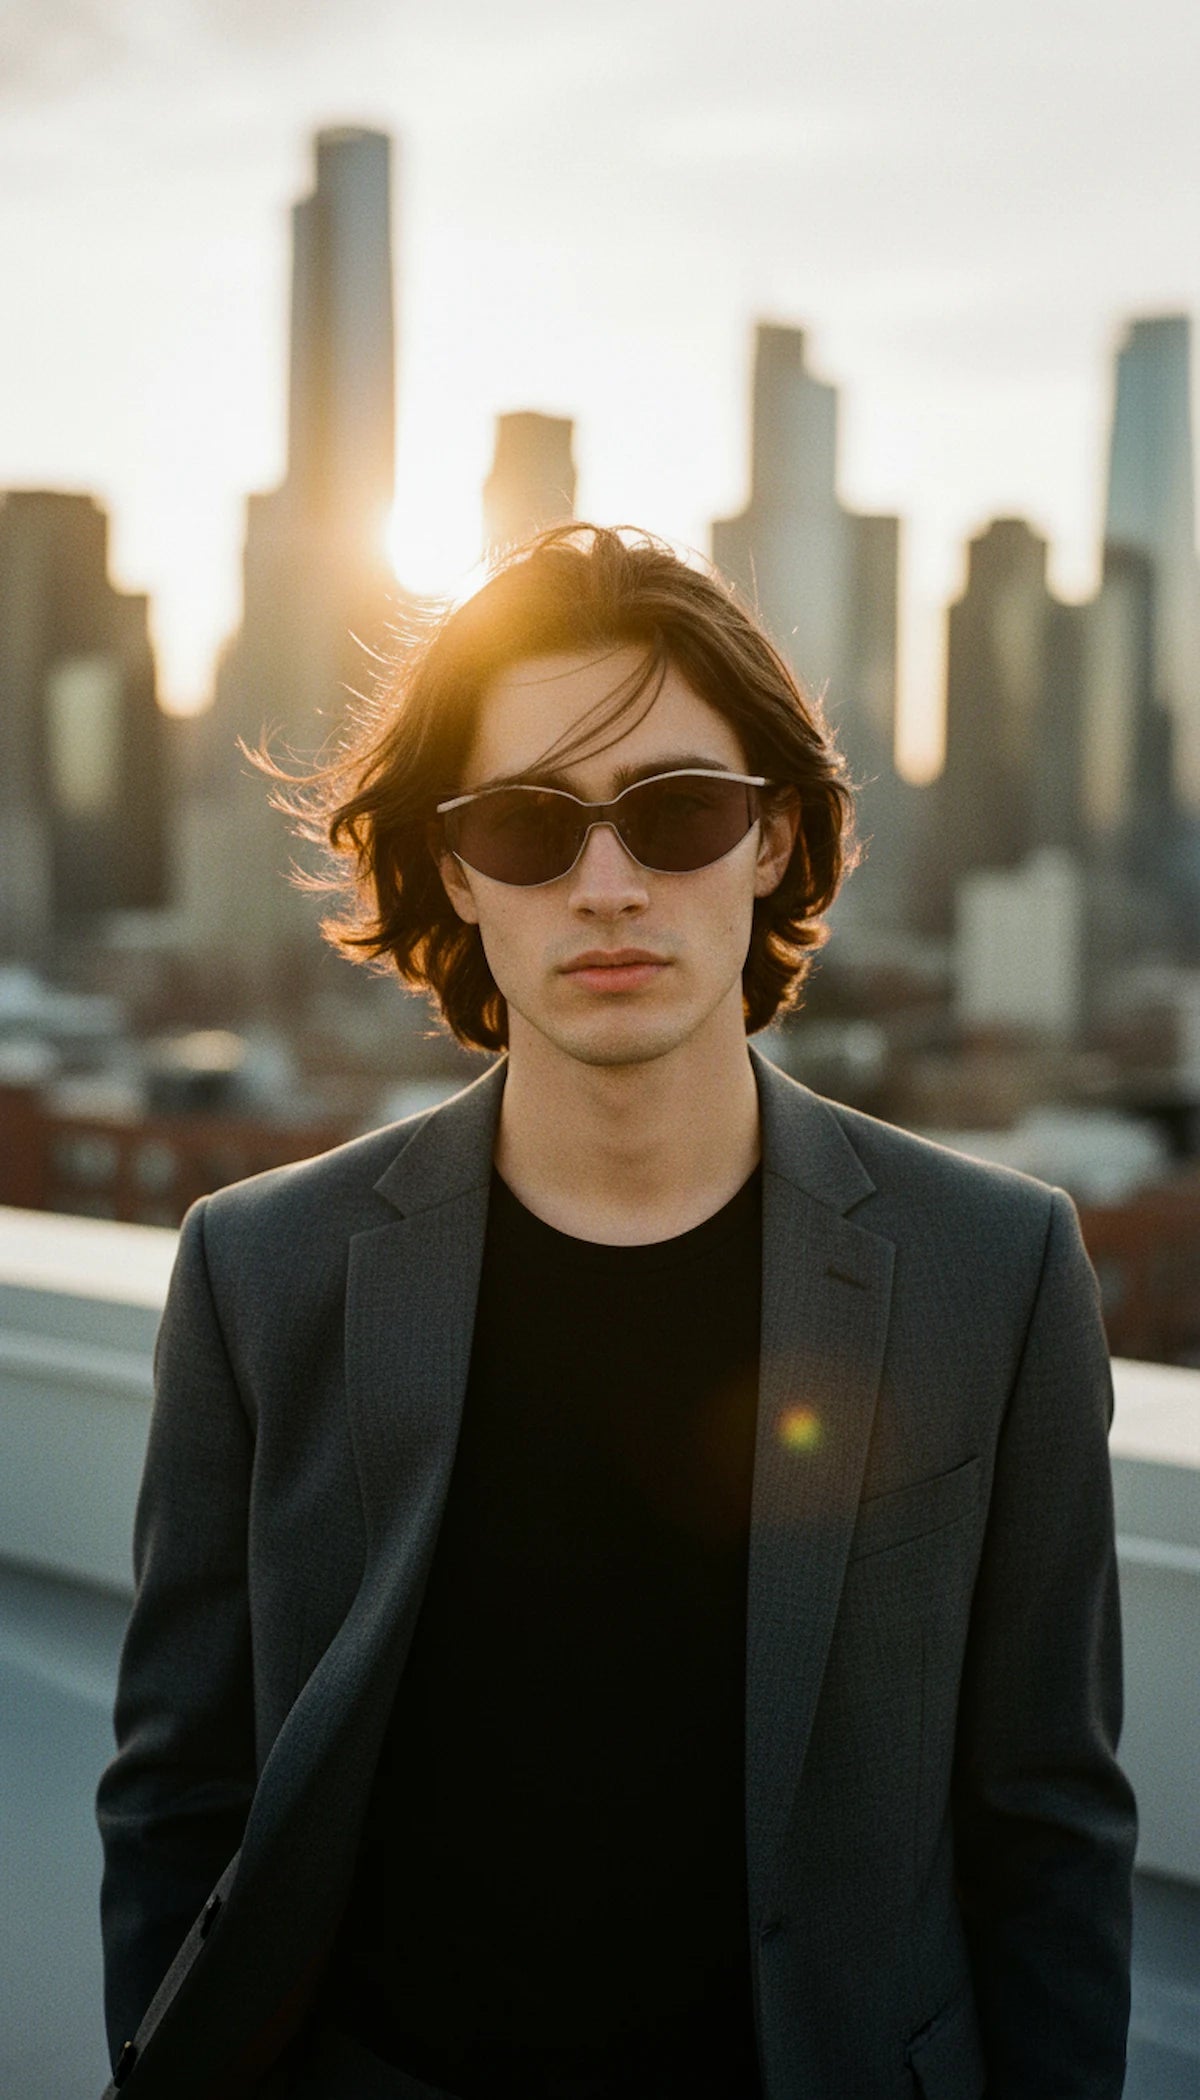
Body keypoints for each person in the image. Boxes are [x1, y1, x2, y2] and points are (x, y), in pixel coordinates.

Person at [96, 524, 1136, 2100]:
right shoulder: (260, 1274)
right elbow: (180, 1798)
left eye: (679, 813)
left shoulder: (997, 1272)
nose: (608, 887)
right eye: (530, 825)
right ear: (456, 869)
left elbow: (1048, 1830)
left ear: (773, 839)